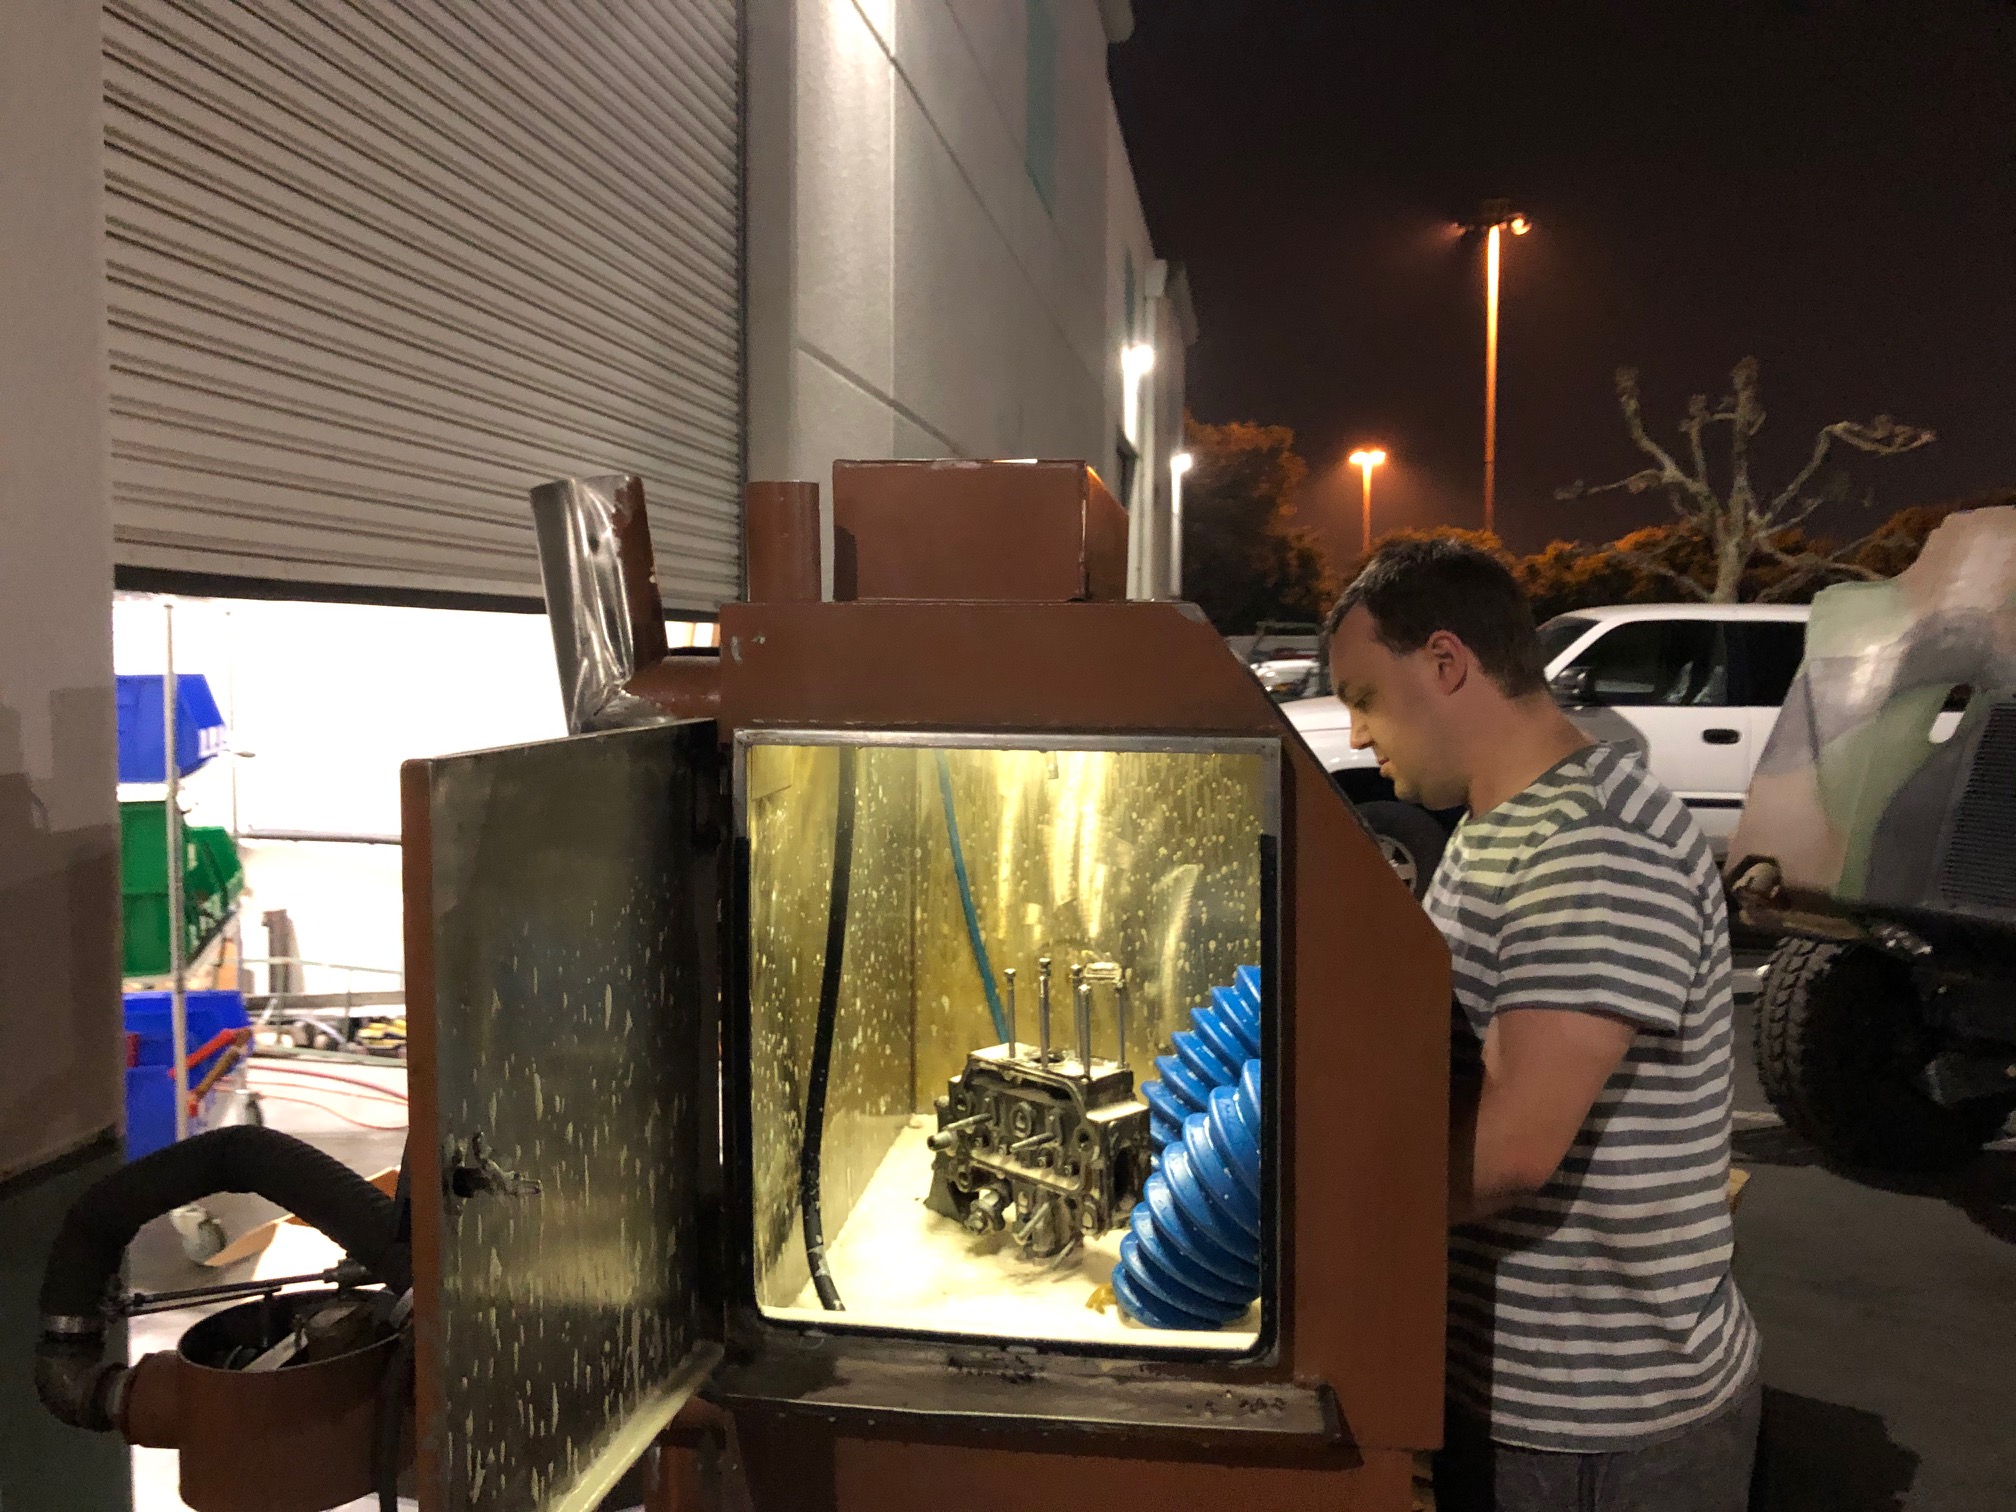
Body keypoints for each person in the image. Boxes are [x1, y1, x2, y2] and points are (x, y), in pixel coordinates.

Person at [1324, 539, 1760, 1512]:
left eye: (1364, 698)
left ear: (1446, 664)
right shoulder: (1499, 822)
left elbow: (1513, 1149)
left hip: (1600, 1431)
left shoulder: (1593, 843)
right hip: (1520, 1396)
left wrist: (1300, 1213)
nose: (1354, 735)